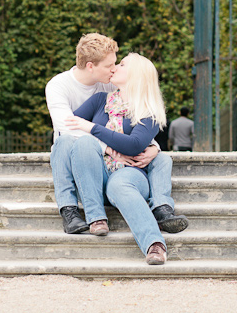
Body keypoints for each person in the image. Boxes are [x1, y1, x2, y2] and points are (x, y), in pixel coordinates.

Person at [46, 34, 188, 236]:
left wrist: (153, 146)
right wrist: (109, 150)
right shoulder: (58, 85)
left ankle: (161, 210)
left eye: (117, 64)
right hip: (75, 153)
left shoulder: (110, 84)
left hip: (114, 165)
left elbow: (133, 122)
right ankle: (69, 210)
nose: (114, 69)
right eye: (110, 65)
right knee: (64, 140)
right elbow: (66, 126)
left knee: (162, 160)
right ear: (90, 66)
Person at [64, 53, 173, 264]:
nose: (115, 67)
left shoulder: (147, 111)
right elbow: (70, 127)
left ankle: (155, 245)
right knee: (85, 144)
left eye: (122, 65)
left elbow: (134, 145)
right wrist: (102, 145)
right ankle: (96, 217)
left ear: (136, 75)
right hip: (97, 175)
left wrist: (93, 128)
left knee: (119, 184)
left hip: (131, 175)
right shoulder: (99, 101)